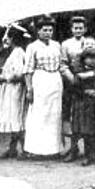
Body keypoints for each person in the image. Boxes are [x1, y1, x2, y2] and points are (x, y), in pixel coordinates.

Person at [23, 17, 64, 158]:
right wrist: (29, 89)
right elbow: (28, 70)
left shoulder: (57, 45)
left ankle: (54, 149)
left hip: (55, 79)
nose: (47, 33)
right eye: (44, 30)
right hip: (40, 79)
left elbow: (62, 64)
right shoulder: (32, 47)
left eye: (50, 30)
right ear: (38, 31)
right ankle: (37, 150)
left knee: (54, 114)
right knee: (40, 115)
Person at [59, 16, 95, 162]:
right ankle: (73, 149)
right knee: (72, 116)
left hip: (89, 83)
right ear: (71, 29)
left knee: (89, 117)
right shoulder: (66, 44)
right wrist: (72, 78)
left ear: (85, 29)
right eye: (75, 28)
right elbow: (63, 64)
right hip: (72, 84)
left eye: (81, 28)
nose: (78, 30)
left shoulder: (90, 42)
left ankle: (91, 151)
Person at [0, 25, 29, 159]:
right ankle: (12, 148)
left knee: (16, 116)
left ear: (13, 39)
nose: (5, 40)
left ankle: (24, 149)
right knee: (14, 117)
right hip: (10, 89)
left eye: (8, 37)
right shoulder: (14, 52)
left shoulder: (18, 53)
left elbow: (19, 74)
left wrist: (3, 77)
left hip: (15, 90)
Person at [72, 48, 95, 165]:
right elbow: (75, 88)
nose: (92, 61)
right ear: (84, 60)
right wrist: (87, 92)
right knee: (88, 130)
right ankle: (89, 155)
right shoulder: (80, 74)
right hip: (86, 104)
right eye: (89, 58)